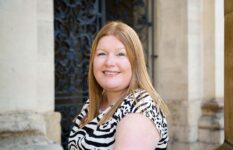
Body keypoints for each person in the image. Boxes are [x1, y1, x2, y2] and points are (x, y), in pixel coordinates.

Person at [68, 21, 169, 150]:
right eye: (101, 54)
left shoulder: (140, 109)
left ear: (135, 62)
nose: (109, 62)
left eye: (121, 54)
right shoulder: (93, 104)